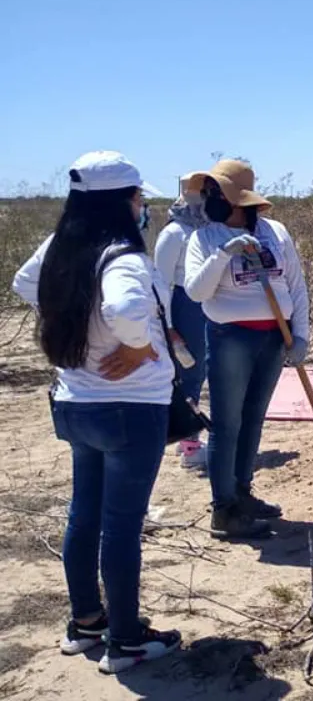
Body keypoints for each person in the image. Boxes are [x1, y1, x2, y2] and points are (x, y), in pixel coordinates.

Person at [11, 151, 182, 674]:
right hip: (129, 410)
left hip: (76, 402)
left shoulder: (60, 247)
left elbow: (24, 282)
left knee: (84, 516)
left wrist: (72, 325)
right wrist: (139, 346)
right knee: (121, 526)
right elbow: (128, 310)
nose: (143, 207)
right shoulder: (124, 258)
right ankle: (125, 640)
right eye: (138, 198)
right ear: (121, 203)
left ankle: (87, 622)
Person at [184, 159, 309, 540]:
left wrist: (300, 334)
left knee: (253, 418)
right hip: (230, 339)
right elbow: (196, 291)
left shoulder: (276, 233)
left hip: (274, 336)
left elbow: (296, 285)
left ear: (236, 198)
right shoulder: (203, 239)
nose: (207, 199)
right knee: (227, 423)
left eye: (214, 192)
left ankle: (242, 492)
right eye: (207, 193)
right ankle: (224, 509)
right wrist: (223, 254)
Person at [153, 174, 210, 471]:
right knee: (189, 372)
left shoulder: (203, 230)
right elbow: (161, 282)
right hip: (183, 306)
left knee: (198, 372)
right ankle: (189, 444)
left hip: (201, 304)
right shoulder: (175, 233)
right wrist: (170, 326)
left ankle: (186, 436)